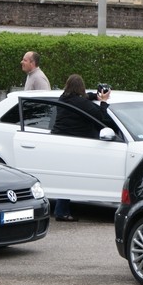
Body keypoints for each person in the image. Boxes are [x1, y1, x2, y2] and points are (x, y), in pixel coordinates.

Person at [51, 74, 113, 221]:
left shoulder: (63, 98)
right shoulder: (80, 103)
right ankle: (61, 211)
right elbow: (100, 116)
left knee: (66, 176)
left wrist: (94, 96)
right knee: (70, 176)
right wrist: (103, 101)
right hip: (76, 144)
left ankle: (61, 210)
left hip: (59, 141)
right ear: (81, 88)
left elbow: (81, 99)